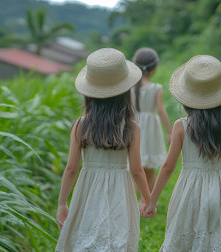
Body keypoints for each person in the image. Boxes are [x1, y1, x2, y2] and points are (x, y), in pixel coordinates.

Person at [143, 55, 221, 251]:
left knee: (190, 238)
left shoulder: (181, 126)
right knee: (219, 239)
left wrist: (152, 200)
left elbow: (168, 167)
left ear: (187, 97)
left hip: (189, 191)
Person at [55, 48, 151, 251]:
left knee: (87, 234)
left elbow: (71, 168)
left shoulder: (81, 125)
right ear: (126, 92)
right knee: (116, 235)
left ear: (90, 93)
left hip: (88, 189)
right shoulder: (132, 127)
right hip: (120, 190)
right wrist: (147, 199)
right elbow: (136, 171)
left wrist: (62, 203)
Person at [131, 47, 172, 191]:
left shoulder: (129, 87)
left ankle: (133, 198)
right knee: (149, 167)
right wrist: (169, 132)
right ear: (154, 68)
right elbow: (161, 110)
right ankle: (146, 200)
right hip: (150, 129)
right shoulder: (156, 88)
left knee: (134, 165)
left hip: (133, 126)